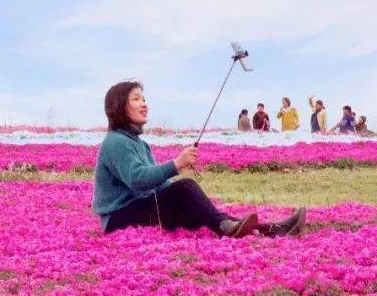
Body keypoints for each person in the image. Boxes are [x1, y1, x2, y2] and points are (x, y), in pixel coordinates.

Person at [92, 81, 306, 237]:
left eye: (144, 99)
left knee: (199, 209)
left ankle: (271, 229)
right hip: (118, 219)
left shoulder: (138, 143)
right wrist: (176, 165)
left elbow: (155, 185)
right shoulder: (116, 142)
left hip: (140, 208)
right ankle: (228, 228)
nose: (144, 104)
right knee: (186, 189)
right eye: (136, 99)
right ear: (120, 107)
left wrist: (176, 188)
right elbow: (137, 179)